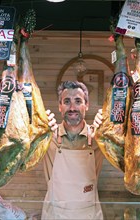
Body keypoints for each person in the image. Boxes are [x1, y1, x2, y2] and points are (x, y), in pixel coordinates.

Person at [42, 81, 104, 220]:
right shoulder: (47, 136)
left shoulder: (98, 138)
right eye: (67, 101)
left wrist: (108, 127)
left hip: (89, 215)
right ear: (60, 106)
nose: (72, 108)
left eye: (78, 101)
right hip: (55, 215)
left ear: (86, 105)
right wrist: (38, 129)